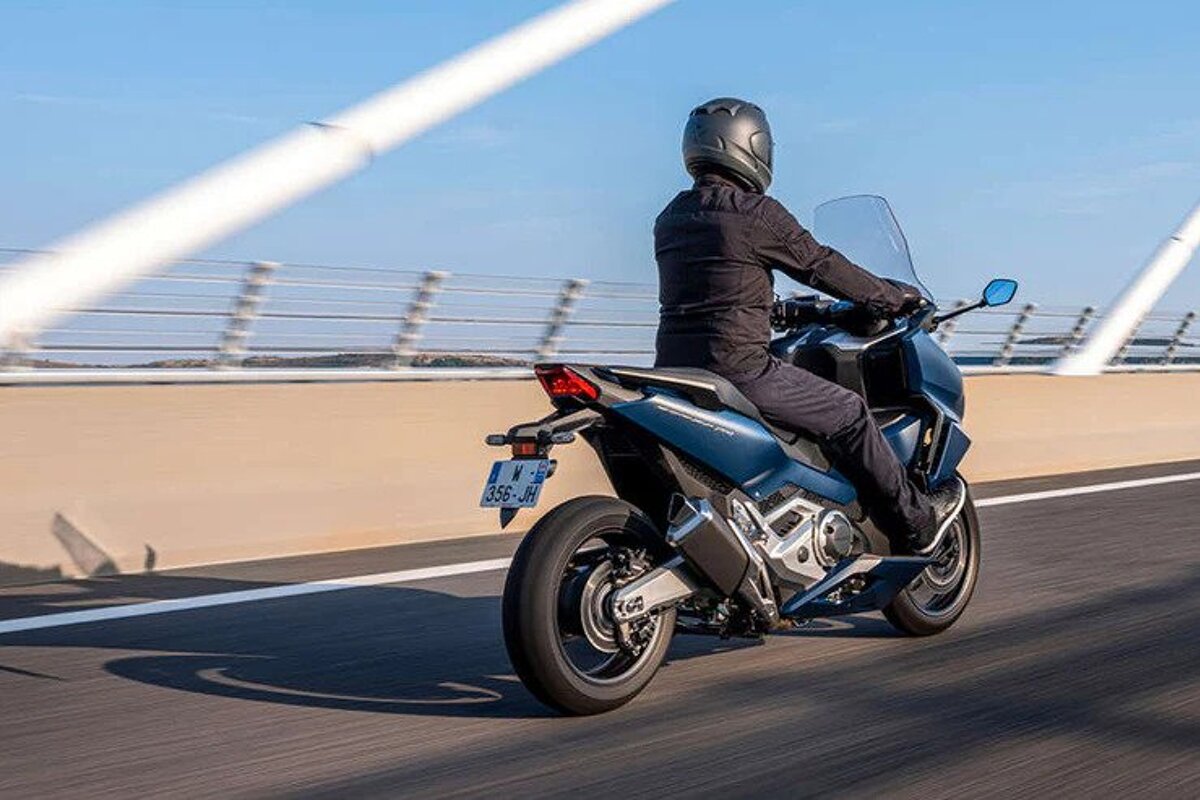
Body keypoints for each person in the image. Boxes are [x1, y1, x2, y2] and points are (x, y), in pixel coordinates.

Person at [653, 97, 965, 555]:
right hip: (740, 370)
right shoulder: (753, 213)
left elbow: (717, 286)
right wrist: (890, 296)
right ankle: (916, 524)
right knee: (852, 413)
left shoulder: (672, 217)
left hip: (677, 370)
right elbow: (819, 264)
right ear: (750, 146)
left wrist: (786, 311)